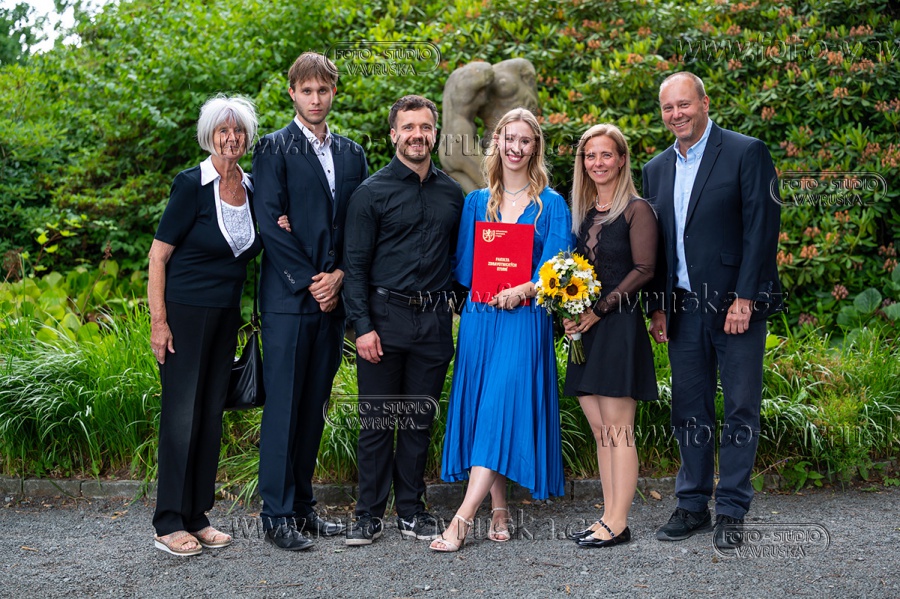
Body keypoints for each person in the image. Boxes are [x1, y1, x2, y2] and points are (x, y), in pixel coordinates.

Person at [642, 72, 782, 550]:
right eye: (668, 107)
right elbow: (658, 246)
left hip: (734, 306)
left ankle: (732, 509)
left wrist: (746, 297)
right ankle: (692, 504)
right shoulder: (656, 169)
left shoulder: (746, 152)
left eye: (684, 104)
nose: (676, 114)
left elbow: (762, 229)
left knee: (740, 407)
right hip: (682, 309)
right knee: (689, 409)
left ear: (704, 103)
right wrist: (658, 307)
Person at [430, 108, 573, 552]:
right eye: (509, 139)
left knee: (498, 407)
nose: (516, 147)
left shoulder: (551, 204)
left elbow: (556, 268)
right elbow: (465, 266)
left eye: (525, 140)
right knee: (483, 411)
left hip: (524, 320)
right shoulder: (476, 202)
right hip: (481, 318)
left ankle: (461, 519)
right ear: (498, 142)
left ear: (535, 147)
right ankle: (499, 507)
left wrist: (523, 289)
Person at [252, 51, 368, 551]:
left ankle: (302, 508)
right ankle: (275, 516)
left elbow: (361, 227)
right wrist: (310, 280)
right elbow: (269, 222)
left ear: (333, 92)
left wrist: (339, 277)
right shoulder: (272, 148)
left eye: (323, 90)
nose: (316, 99)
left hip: (333, 301)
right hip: (289, 301)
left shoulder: (353, 153)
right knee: (283, 409)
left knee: (313, 407)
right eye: (307, 90)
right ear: (292, 93)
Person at [343, 95, 464, 546]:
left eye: (425, 127)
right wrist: (362, 327)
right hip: (384, 318)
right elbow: (355, 267)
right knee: (377, 422)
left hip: (433, 321)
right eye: (409, 127)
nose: (417, 135)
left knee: (418, 421)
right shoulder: (370, 193)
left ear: (435, 133)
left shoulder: (453, 194)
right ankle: (368, 515)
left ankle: (412, 511)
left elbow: (460, 261)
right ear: (394, 134)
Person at [148, 95, 262, 556]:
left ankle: (197, 516)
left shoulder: (253, 187)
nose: (231, 138)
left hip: (225, 317)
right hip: (185, 315)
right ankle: (168, 522)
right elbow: (158, 256)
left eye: (238, 131)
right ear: (209, 136)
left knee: (211, 415)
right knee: (181, 417)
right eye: (223, 131)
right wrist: (159, 322)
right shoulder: (191, 184)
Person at [561, 124, 659, 548]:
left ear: (621, 160)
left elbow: (645, 269)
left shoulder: (637, 210)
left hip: (617, 326)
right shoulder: (582, 213)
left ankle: (619, 522)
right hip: (584, 331)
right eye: (590, 156)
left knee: (619, 429)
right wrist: (567, 315)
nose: (597, 163)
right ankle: (606, 516)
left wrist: (599, 310)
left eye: (605, 155)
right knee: (601, 429)